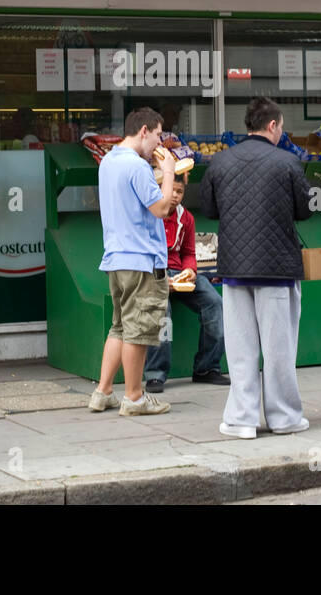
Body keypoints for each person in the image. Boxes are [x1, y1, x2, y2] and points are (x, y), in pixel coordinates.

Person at [200, 97, 313, 440]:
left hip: (234, 269)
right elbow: (306, 210)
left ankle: (241, 420)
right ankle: (285, 418)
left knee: (240, 349)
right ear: (273, 125)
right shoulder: (289, 162)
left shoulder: (219, 162)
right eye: (281, 127)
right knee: (279, 351)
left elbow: (208, 208)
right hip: (277, 270)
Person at [88, 108, 176, 416]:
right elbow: (162, 209)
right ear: (143, 130)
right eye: (157, 135)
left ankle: (103, 391)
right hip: (142, 260)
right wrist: (168, 173)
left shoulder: (109, 161)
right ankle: (135, 397)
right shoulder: (137, 167)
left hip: (115, 257)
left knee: (120, 327)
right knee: (137, 331)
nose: (159, 143)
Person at [143, 173, 228, 393]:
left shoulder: (186, 218)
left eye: (179, 192)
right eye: (171, 190)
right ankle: (155, 374)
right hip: (154, 273)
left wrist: (190, 270)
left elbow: (189, 251)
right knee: (163, 315)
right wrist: (162, 279)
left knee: (215, 303)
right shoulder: (149, 213)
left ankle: (206, 368)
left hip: (180, 273)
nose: (174, 196)